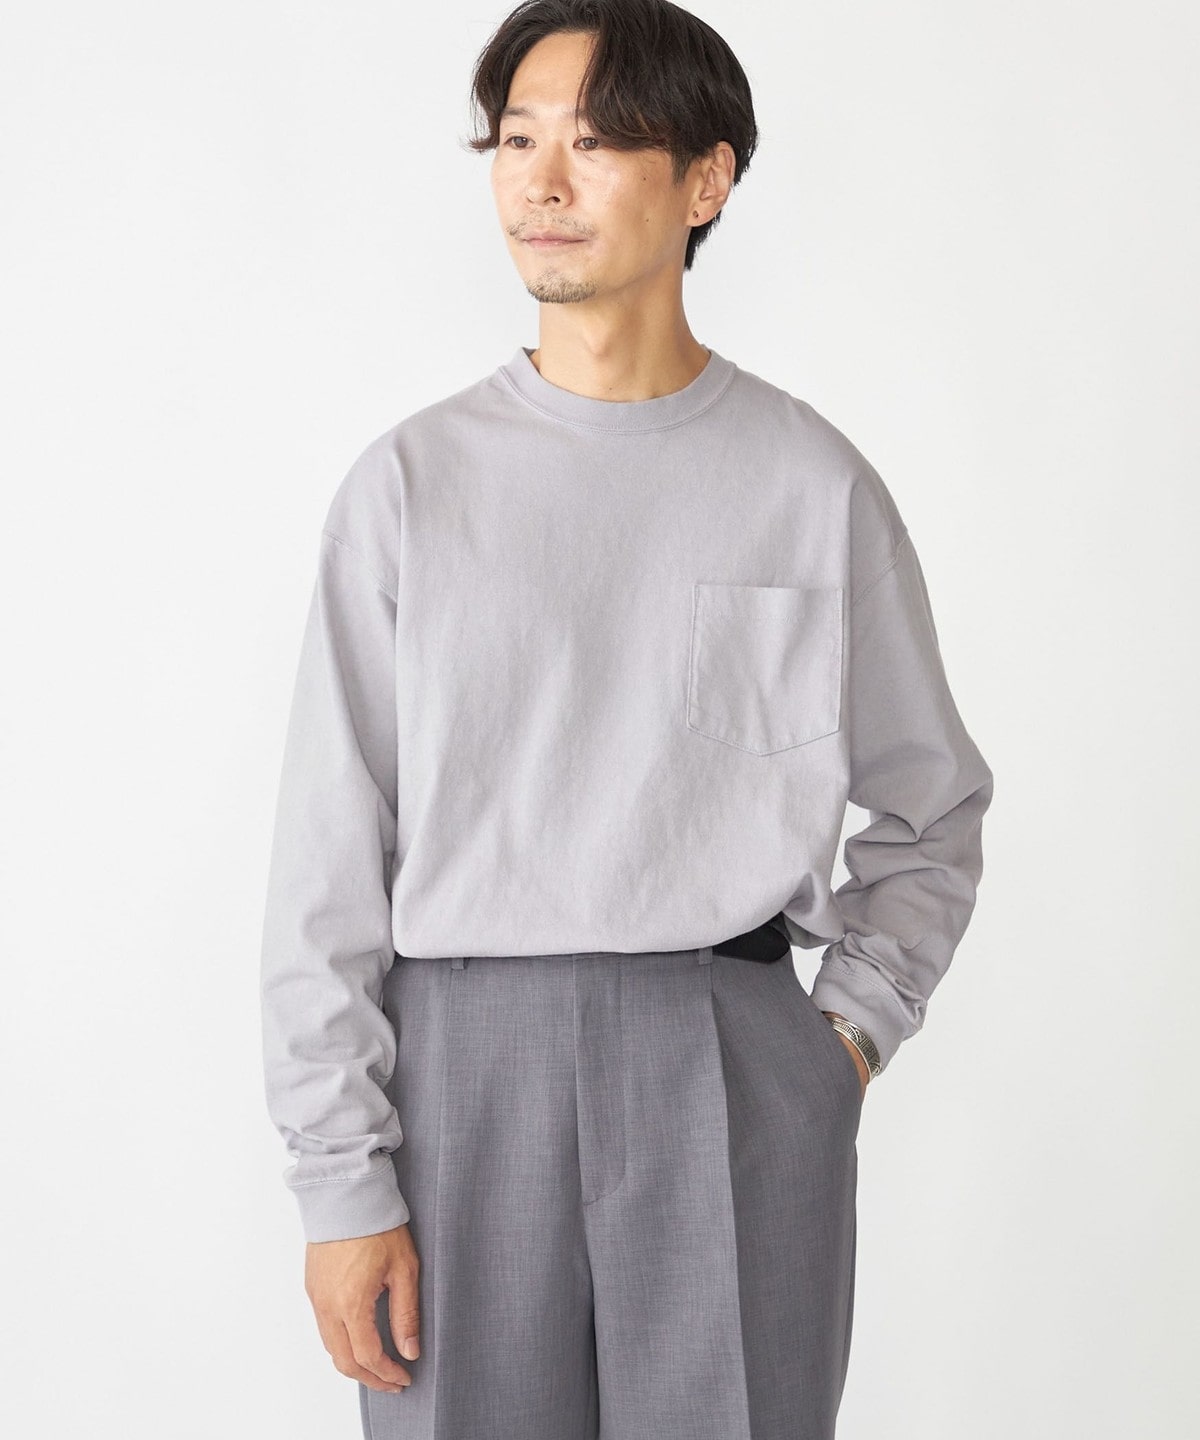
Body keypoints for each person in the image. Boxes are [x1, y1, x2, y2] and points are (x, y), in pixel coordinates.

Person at [258, 3, 994, 1437]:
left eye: (594, 144)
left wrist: (836, 1045)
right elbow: (325, 862)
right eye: (517, 141)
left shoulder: (812, 487)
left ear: (705, 180)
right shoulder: (410, 489)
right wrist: (341, 1181)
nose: (541, 184)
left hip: (729, 1061)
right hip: (463, 1072)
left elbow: (934, 808)